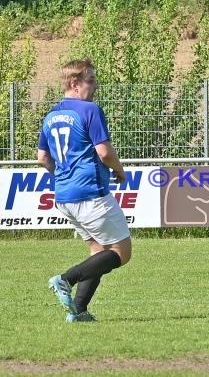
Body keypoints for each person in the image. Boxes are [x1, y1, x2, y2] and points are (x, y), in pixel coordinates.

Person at [38, 59, 132, 322]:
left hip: (65, 196)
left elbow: (42, 157)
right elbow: (104, 152)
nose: (95, 85)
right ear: (74, 84)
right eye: (90, 80)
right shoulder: (90, 110)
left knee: (98, 251)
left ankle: (78, 311)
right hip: (91, 192)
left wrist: (64, 176)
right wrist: (120, 171)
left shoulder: (51, 115)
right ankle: (66, 279)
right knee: (121, 253)